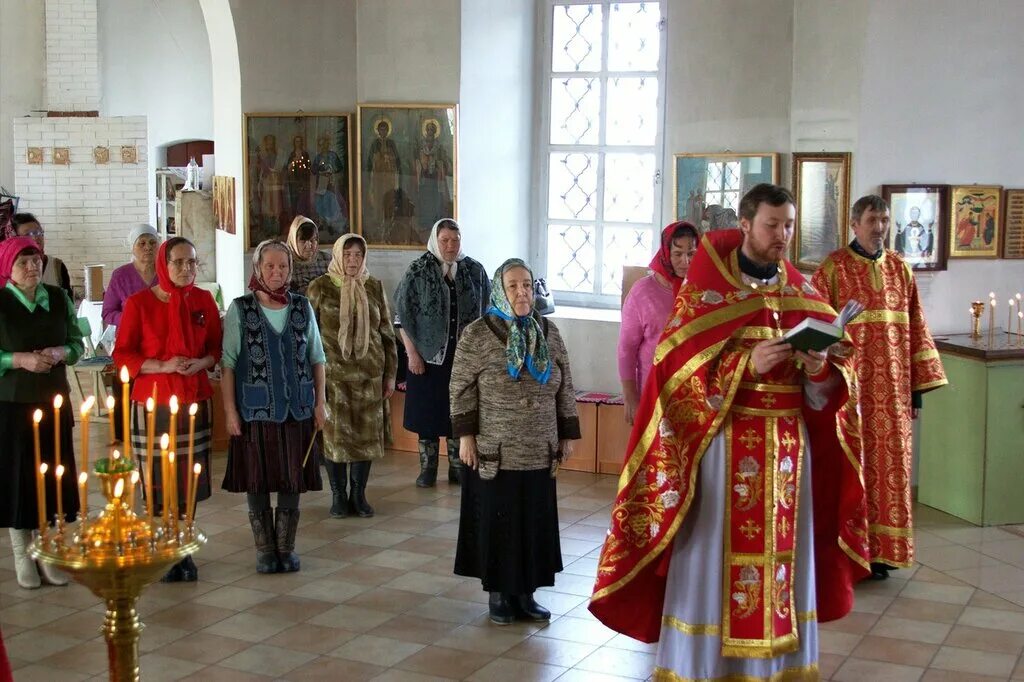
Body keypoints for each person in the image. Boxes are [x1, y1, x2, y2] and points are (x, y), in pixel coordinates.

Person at [589, 184, 871, 680]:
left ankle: (777, 668)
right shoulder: (704, 291)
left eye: (788, 225)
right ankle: (705, 669)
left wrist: (820, 367)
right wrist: (744, 364)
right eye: (772, 225)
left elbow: (829, 399)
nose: (783, 235)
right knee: (711, 562)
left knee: (784, 561)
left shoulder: (803, 292)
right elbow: (673, 378)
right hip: (722, 451)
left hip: (787, 453)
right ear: (744, 225)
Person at [812, 195, 947, 580]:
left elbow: (917, 330)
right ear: (854, 224)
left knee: (892, 473)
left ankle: (884, 556)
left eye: (885, 219)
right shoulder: (833, 270)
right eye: (872, 219)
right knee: (852, 470)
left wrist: (916, 392)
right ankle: (850, 555)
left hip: (894, 396)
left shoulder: (900, 270)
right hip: (851, 394)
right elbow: (817, 327)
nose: (880, 227)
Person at [450, 258, 580, 625]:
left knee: (533, 520)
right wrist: (465, 436)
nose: (522, 292)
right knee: (500, 520)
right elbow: (460, 388)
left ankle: (526, 594)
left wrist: (567, 432)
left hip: (539, 446)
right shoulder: (477, 333)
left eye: (526, 285)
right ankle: (500, 595)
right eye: (513, 286)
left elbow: (565, 383)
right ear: (499, 290)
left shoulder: (549, 331)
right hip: (496, 448)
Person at [113, 237, 222, 583]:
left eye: (192, 262)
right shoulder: (139, 304)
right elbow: (122, 358)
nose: (187, 269)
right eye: (178, 262)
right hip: (153, 403)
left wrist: (200, 362)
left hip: (194, 399)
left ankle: (184, 548)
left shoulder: (204, 300)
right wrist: (163, 366)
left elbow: (215, 350)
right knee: (160, 481)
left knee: (188, 480)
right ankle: (165, 548)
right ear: (164, 264)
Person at [221, 240, 326, 573]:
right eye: (270, 266)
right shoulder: (241, 309)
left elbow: (317, 358)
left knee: (291, 477)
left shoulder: (302, 307)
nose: (277, 272)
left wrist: (320, 402)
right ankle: (265, 550)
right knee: (258, 478)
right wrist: (230, 411)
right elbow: (228, 364)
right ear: (257, 268)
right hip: (255, 410)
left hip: (298, 408)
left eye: (283, 266)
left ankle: (286, 547)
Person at [0, 236, 83, 589]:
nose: (33, 268)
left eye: (37, 261)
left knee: (53, 474)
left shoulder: (59, 298)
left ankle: (47, 550)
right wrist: (19, 359)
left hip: (53, 399)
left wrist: (62, 352)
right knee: (21, 477)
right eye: (24, 262)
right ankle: (23, 552)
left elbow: (79, 345)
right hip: (13, 403)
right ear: (8, 268)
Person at [394, 219, 490, 487]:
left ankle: (457, 467)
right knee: (427, 415)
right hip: (426, 358)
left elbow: (487, 312)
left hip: (463, 358)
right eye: (445, 240)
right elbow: (401, 316)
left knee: (457, 412)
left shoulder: (474, 270)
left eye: (455, 239)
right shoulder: (418, 270)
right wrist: (412, 353)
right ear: (436, 240)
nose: (450, 245)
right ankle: (428, 468)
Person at [308, 234, 397, 519]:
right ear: (337, 255)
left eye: (358, 255)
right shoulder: (319, 287)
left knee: (364, 440)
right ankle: (338, 496)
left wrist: (390, 375)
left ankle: (358, 495)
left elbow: (386, 332)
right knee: (335, 440)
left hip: (369, 376)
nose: (352, 260)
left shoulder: (373, 286)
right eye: (347, 255)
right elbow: (308, 337)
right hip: (332, 379)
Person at [618, 221, 698, 424]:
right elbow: (627, 349)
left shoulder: (702, 291)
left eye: (692, 253)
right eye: (678, 254)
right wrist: (630, 396)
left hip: (694, 395)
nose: (686, 261)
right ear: (665, 252)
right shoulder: (642, 292)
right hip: (652, 393)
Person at [102, 224, 161, 328]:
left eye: (152, 243)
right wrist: (131, 318)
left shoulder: (167, 272)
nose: (148, 247)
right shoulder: (120, 276)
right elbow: (108, 312)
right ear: (132, 248)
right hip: (130, 334)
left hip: (161, 333)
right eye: (142, 243)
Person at [11, 213, 73, 301]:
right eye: (28, 234)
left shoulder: (56, 266)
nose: (36, 237)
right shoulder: (7, 269)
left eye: (38, 232)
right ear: (14, 239)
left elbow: (69, 302)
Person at [286, 215, 331, 296]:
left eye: (312, 240)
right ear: (293, 241)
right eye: (303, 241)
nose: (309, 245)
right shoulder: (285, 262)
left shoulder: (327, 260)